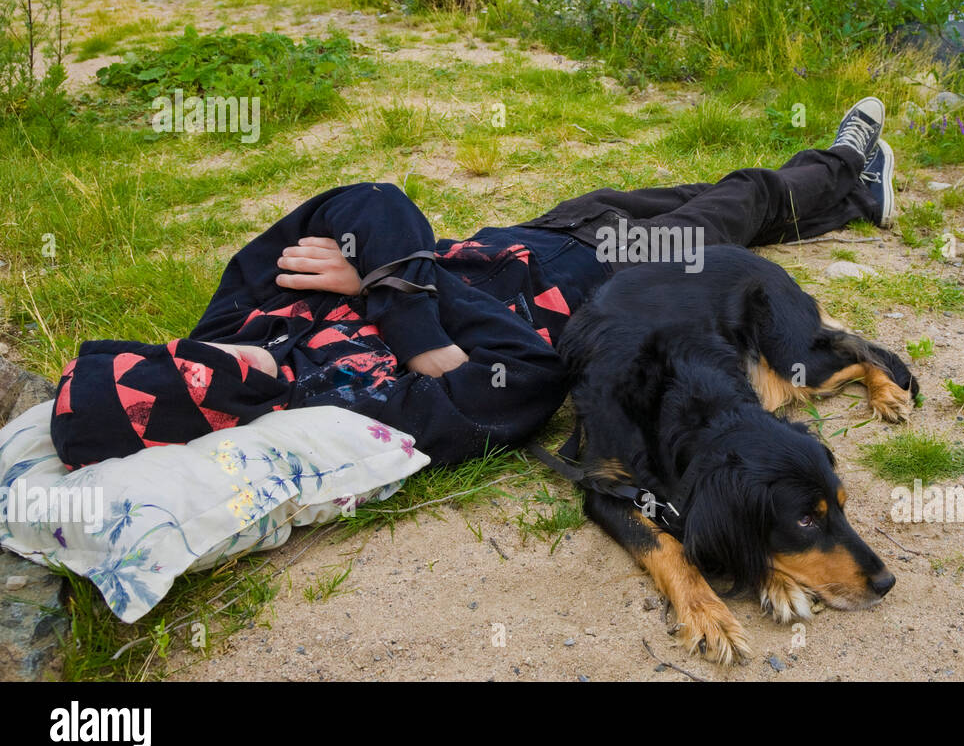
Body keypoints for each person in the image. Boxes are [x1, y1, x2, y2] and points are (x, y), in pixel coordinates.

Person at [50, 99, 897, 469]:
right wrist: (390, 283)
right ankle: (849, 160)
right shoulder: (360, 418)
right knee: (740, 200)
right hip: (617, 281)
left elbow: (368, 201)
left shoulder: (240, 307)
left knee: (707, 191)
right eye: (209, 394)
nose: (232, 365)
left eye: (193, 361)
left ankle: (851, 197)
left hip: (533, 235)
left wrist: (390, 298)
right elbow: (527, 377)